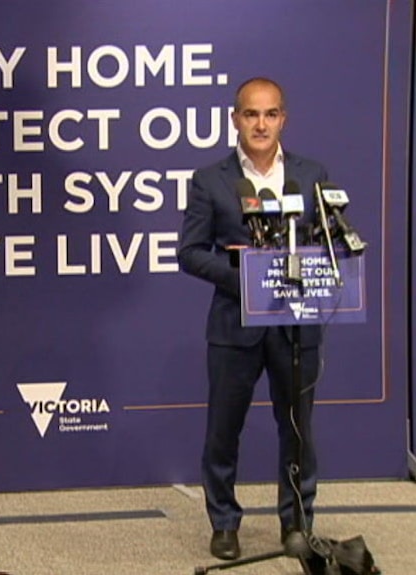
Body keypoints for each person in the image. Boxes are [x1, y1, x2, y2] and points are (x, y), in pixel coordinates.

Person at [177, 77, 327, 561]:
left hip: (296, 328)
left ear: (283, 118)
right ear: (236, 119)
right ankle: (224, 522)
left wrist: (311, 262)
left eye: (270, 114)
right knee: (223, 429)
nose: (260, 124)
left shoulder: (311, 174)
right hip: (233, 326)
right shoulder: (211, 180)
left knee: (297, 428)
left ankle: (297, 523)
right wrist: (246, 276)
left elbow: (335, 243)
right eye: (250, 114)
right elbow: (191, 253)